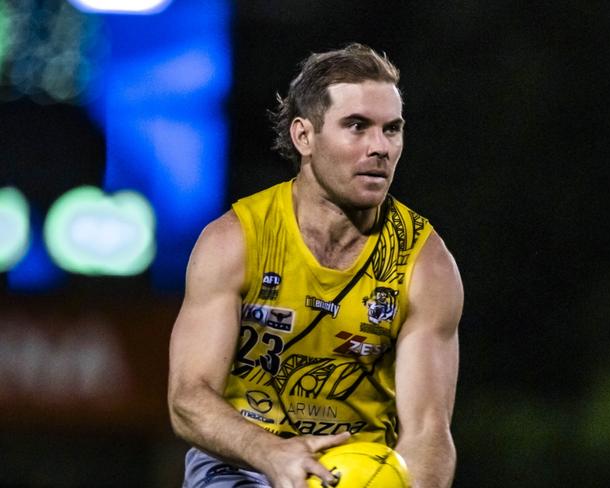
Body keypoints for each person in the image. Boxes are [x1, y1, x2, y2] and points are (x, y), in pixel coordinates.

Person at [168, 43, 463, 488]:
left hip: (361, 472)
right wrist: (272, 453)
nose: (380, 147)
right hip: (242, 463)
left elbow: (427, 433)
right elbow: (188, 399)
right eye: (357, 127)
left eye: (392, 129)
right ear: (304, 136)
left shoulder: (424, 263)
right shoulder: (237, 240)